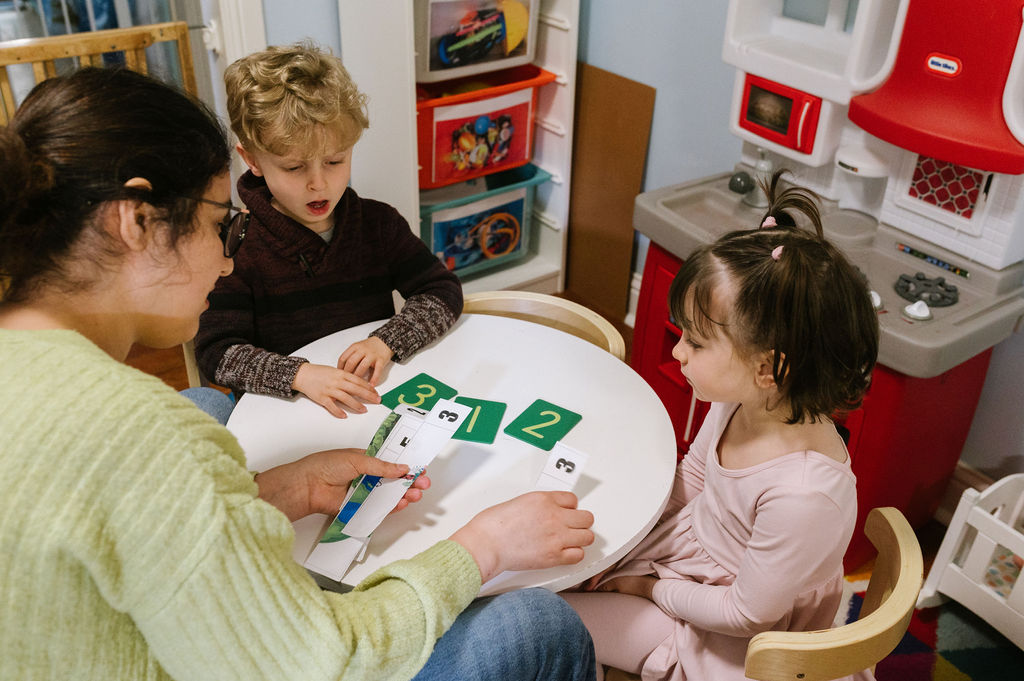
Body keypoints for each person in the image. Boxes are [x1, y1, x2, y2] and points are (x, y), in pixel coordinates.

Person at [0, 67, 597, 681]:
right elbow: (324, 662)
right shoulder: (148, 440)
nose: (227, 254)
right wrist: (485, 545)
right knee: (538, 626)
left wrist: (284, 487)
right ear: (136, 222)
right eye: (216, 224)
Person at [561, 170, 880, 681]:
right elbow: (695, 482)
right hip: (700, 571)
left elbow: (746, 615)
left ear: (768, 368)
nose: (677, 351)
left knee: (548, 622)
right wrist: (623, 547)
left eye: (695, 342)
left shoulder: (804, 495)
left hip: (736, 639)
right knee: (557, 573)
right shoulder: (748, 398)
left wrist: (646, 588)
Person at [194, 43, 462, 419]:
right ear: (252, 160)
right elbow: (216, 352)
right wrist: (298, 374)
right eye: (293, 168)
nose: (319, 184)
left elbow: (442, 291)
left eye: (335, 161)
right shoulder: (236, 245)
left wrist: (387, 341)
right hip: (283, 414)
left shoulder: (378, 224)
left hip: (369, 403)